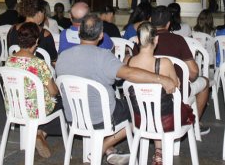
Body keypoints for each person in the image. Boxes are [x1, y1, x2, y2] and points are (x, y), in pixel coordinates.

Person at [56, 15, 176, 165]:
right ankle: (103, 146)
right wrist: (161, 78)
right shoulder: (104, 57)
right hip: (102, 117)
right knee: (139, 111)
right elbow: (130, 73)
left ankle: (109, 149)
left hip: (74, 116)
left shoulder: (62, 57)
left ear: (79, 31)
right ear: (101, 36)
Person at [133, 6, 211, 135]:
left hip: (145, 92)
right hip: (175, 93)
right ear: (168, 24)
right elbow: (193, 73)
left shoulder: (142, 41)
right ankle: (197, 123)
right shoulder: (178, 40)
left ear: (150, 20)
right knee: (205, 82)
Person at [126, 22, 195, 165]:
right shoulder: (164, 63)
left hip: (140, 118)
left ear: (137, 40)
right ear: (156, 40)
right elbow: (176, 86)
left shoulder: (129, 62)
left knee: (154, 108)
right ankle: (160, 152)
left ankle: (159, 151)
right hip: (167, 119)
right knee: (185, 109)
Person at [5, 22, 61, 158]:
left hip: (14, 107)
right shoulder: (38, 63)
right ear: (36, 41)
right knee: (62, 103)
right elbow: (53, 92)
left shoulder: (9, 60)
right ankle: (41, 133)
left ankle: (39, 133)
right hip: (35, 110)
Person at [7, 0, 58, 64]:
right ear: (39, 13)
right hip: (37, 72)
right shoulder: (45, 34)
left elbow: (10, 52)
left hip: (15, 69)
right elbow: (53, 59)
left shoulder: (12, 29)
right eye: (44, 13)